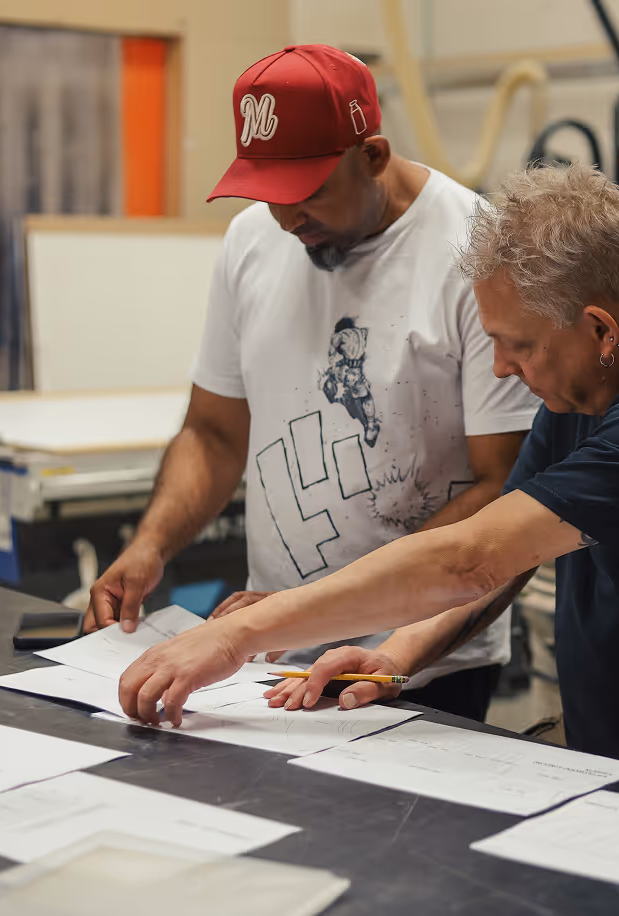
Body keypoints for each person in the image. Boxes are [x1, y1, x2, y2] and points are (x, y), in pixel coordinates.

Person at [118, 163, 619, 835]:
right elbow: (505, 553)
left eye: (516, 344)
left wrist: (239, 636)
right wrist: (394, 656)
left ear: (600, 327)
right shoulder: (591, 385)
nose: (498, 368)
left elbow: (469, 556)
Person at [84, 45, 539, 723]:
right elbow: (213, 434)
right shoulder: (250, 243)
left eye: (309, 192)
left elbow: (501, 488)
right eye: (270, 196)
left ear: (374, 155)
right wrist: (150, 545)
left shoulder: (475, 253)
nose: (289, 217)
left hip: (413, 660)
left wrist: (310, 606)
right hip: (263, 650)